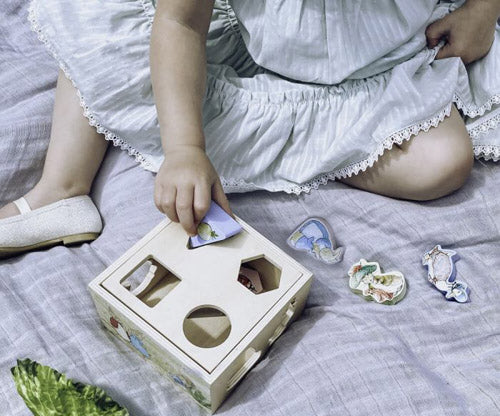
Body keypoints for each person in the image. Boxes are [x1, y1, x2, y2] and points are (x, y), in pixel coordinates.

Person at [0, 0, 499, 258]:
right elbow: (179, 25)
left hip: (388, 67)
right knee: (100, 26)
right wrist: (184, 148)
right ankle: (61, 187)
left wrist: (483, 8)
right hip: (255, 52)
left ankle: (322, 140)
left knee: (444, 162)